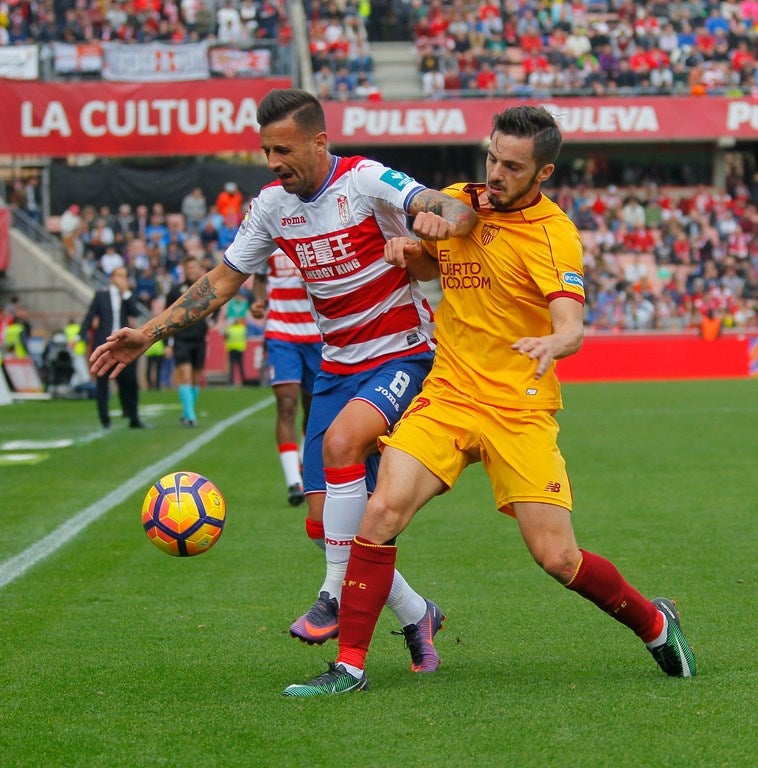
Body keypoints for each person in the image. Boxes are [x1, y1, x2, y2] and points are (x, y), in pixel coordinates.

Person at [283, 105, 697, 697]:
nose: (494, 174)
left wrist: (553, 340)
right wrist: (414, 252)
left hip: (519, 405)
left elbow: (572, 326)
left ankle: (656, 623)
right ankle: (348, 667)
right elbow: (435, 265)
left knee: (557, 558)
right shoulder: (458, 200)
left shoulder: (554, 236)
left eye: (511, 166)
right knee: (379, 514)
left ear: (543, 172)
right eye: (491, 158)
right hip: (449, 393)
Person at [90, 88, 477, 674]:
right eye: (266, 149)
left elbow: (444, 206)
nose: (272, 161)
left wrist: (438, 220)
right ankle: (417, 613)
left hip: (404, 356)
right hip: (336, 368)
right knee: (327, 526)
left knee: (344, 452)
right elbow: (221, 281)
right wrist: (149, 331)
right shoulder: (272, 206)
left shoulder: (367, 181)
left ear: (320, 142)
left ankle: (333, 597)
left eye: (283, 149)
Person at [251, 249, 323, 507]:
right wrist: (259, 301)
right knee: (287, 404)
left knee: (314, 408)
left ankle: (303, 459)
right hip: (281, 333)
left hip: (318, 332)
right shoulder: (270, 230)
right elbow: (259, 277)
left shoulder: (314, 228)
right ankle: (293, 482)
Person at [79, 267, 148, 430]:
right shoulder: (101, 295)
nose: (122, 280)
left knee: (130, 382)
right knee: (102, 382)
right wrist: (79, 335)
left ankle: (133, 417)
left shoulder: (127, 296)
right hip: (105, 344)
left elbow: (135, 311)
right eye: (120, 276)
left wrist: (125, 292)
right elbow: (90, 315)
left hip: (124, 345)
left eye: (125, 276)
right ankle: (105, 420)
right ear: (112, 278)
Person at [164, 255, 210, 428]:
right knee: (185, 375)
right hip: (181, 338)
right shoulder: (176, 291)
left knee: (197, 378)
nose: (192, 271)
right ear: (184, 270)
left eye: (194, 267)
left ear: (199, 269)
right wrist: (168, 343)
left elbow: (218, 304)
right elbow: (167, 315)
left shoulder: (205, 288)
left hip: (199, 338)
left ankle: (186, 412)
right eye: (189, 268)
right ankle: (191, 417)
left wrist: (213, 321)